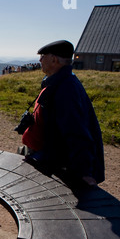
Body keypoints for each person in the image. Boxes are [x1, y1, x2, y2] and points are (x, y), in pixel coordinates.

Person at [20, 40, 105, 189]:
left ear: (54, 59)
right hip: (44, 155)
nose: (40, 60)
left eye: (43, 56)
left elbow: (77, 131)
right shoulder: (58, 81)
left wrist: (84, 172)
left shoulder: (66, 89)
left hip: (54, 162)